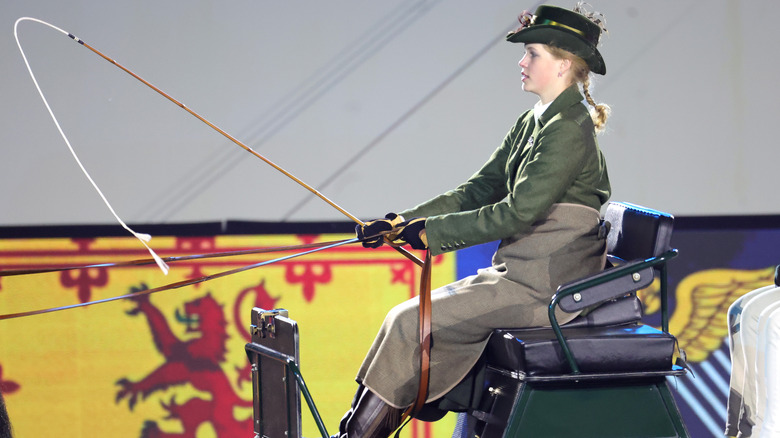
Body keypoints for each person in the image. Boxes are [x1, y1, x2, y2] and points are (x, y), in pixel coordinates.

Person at [339, 4, 612, 437]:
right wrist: (401, 221)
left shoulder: (568, 126)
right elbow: (478, 189)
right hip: (519, 272)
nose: (522, 62)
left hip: (545, 285)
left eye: (532, 54)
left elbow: (520, 211)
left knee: (411, 322)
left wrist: (431, 233)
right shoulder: (535, 120)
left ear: (563, 64)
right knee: (403, 319)